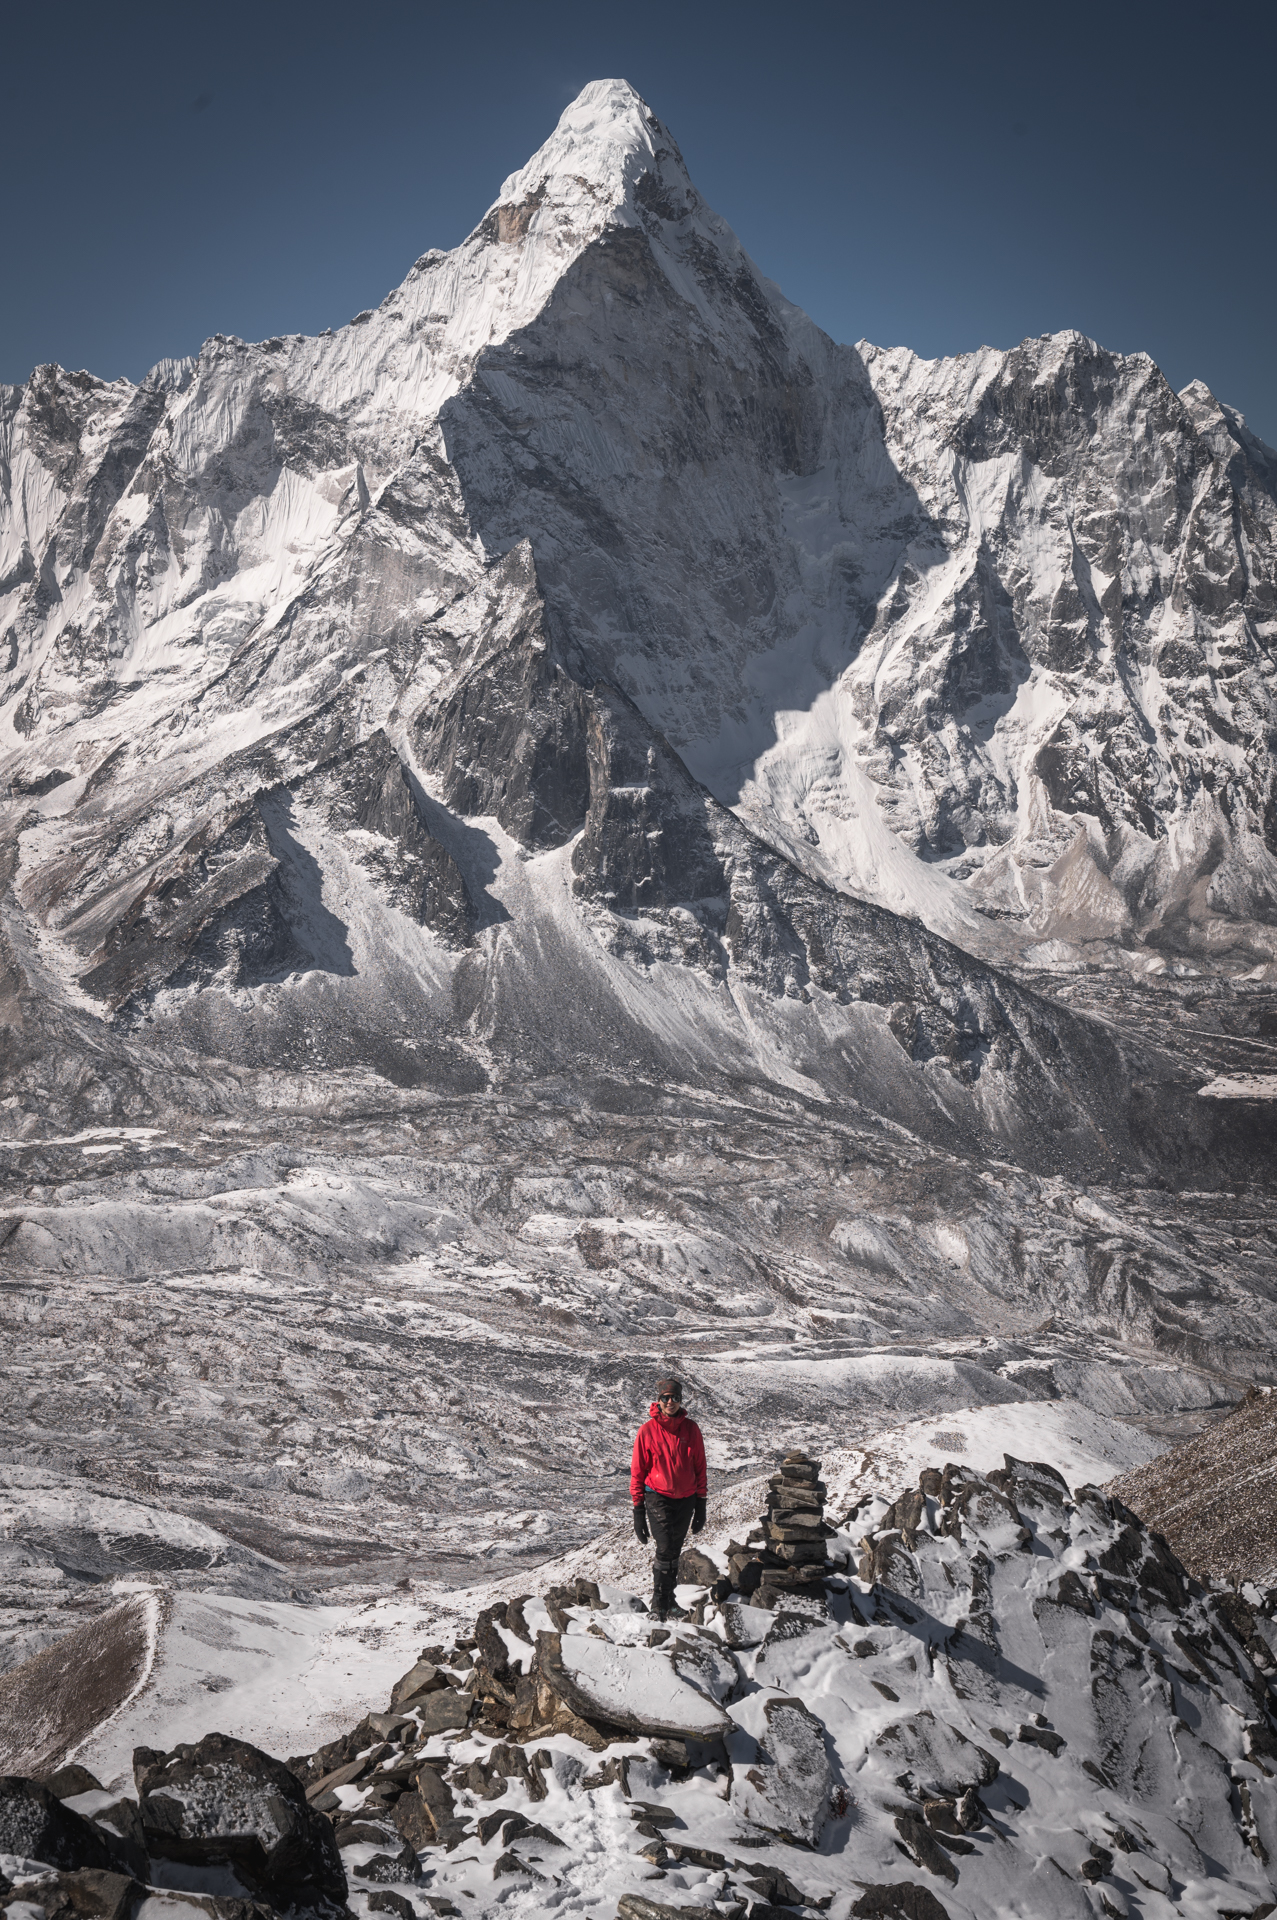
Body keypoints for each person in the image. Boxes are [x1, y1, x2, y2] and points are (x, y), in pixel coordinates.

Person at [630, 1375, 707, 1620]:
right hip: (657, 1497)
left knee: (674, 1550)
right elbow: (638, 1470)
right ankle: (657, 1604)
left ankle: (670, 1603)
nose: (670, 1402)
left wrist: (701, 1504)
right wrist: (638, 1510)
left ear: (680, 1400)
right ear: (659, 1400)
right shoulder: (647, 1431)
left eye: (675, 1397)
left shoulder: (691, 1429)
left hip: (686, 1499)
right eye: (666, 1398)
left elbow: (700, 1466)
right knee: (664, 1549)